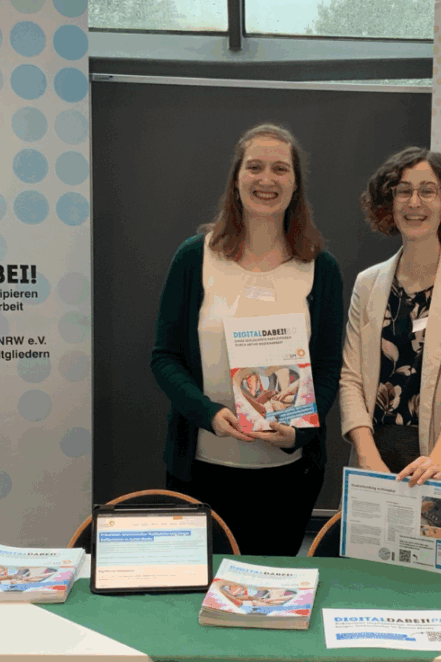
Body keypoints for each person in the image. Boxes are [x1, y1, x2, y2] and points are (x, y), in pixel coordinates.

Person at [151, 123, 344, 556]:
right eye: (254, 167)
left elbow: (330, 367)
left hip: (288, 477)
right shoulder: (194, 258)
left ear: (296, 184)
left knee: (269, 595)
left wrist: (301, 432)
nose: (266, 179)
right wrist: (207, 413)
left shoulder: (321, 268)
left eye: (280, 169)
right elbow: (164, 358)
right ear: (236, 179)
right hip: (200, 470)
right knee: (197, 600)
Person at [338, 147, 441, 527]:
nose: (415, 202)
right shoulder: (368, 284)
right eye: (403, 191)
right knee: (367, 575)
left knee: (433, 577)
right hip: (375, 450)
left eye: (427, 191)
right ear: (389, 202)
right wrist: (367, 458)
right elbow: (350, 378)